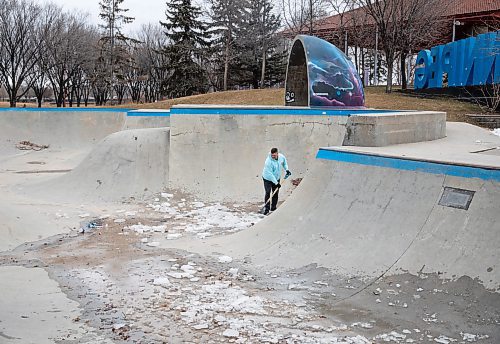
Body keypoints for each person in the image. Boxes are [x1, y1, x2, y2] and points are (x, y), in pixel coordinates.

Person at [262, 148, 291, 215]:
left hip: (277, 178)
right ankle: (267, 208)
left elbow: (284, 163)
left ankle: (273, 207)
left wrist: (287, 169)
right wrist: (276, 183)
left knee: (275, 193)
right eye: (272, 155)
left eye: (274, 155)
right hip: (267, 179)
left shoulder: (281, 157)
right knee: (268, 192)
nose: (273, 157)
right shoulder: (268, 162)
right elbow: (270, 175)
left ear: (277, 153)